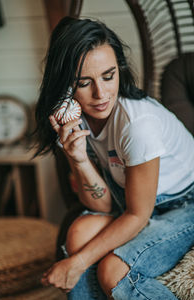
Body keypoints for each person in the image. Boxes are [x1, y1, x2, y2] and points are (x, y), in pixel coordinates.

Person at [34, 16, 194, 300]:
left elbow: (137, 215)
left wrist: (77, 262)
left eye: (108, 76)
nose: (100, 94)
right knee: (80, 231)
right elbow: (101, 202)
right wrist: (79, 159)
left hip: (184, 205)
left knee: (113, 271)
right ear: (67, 86)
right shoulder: (75, 120)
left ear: (119, 70)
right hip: (138, 203)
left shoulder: (137, 124)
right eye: (84, 82)